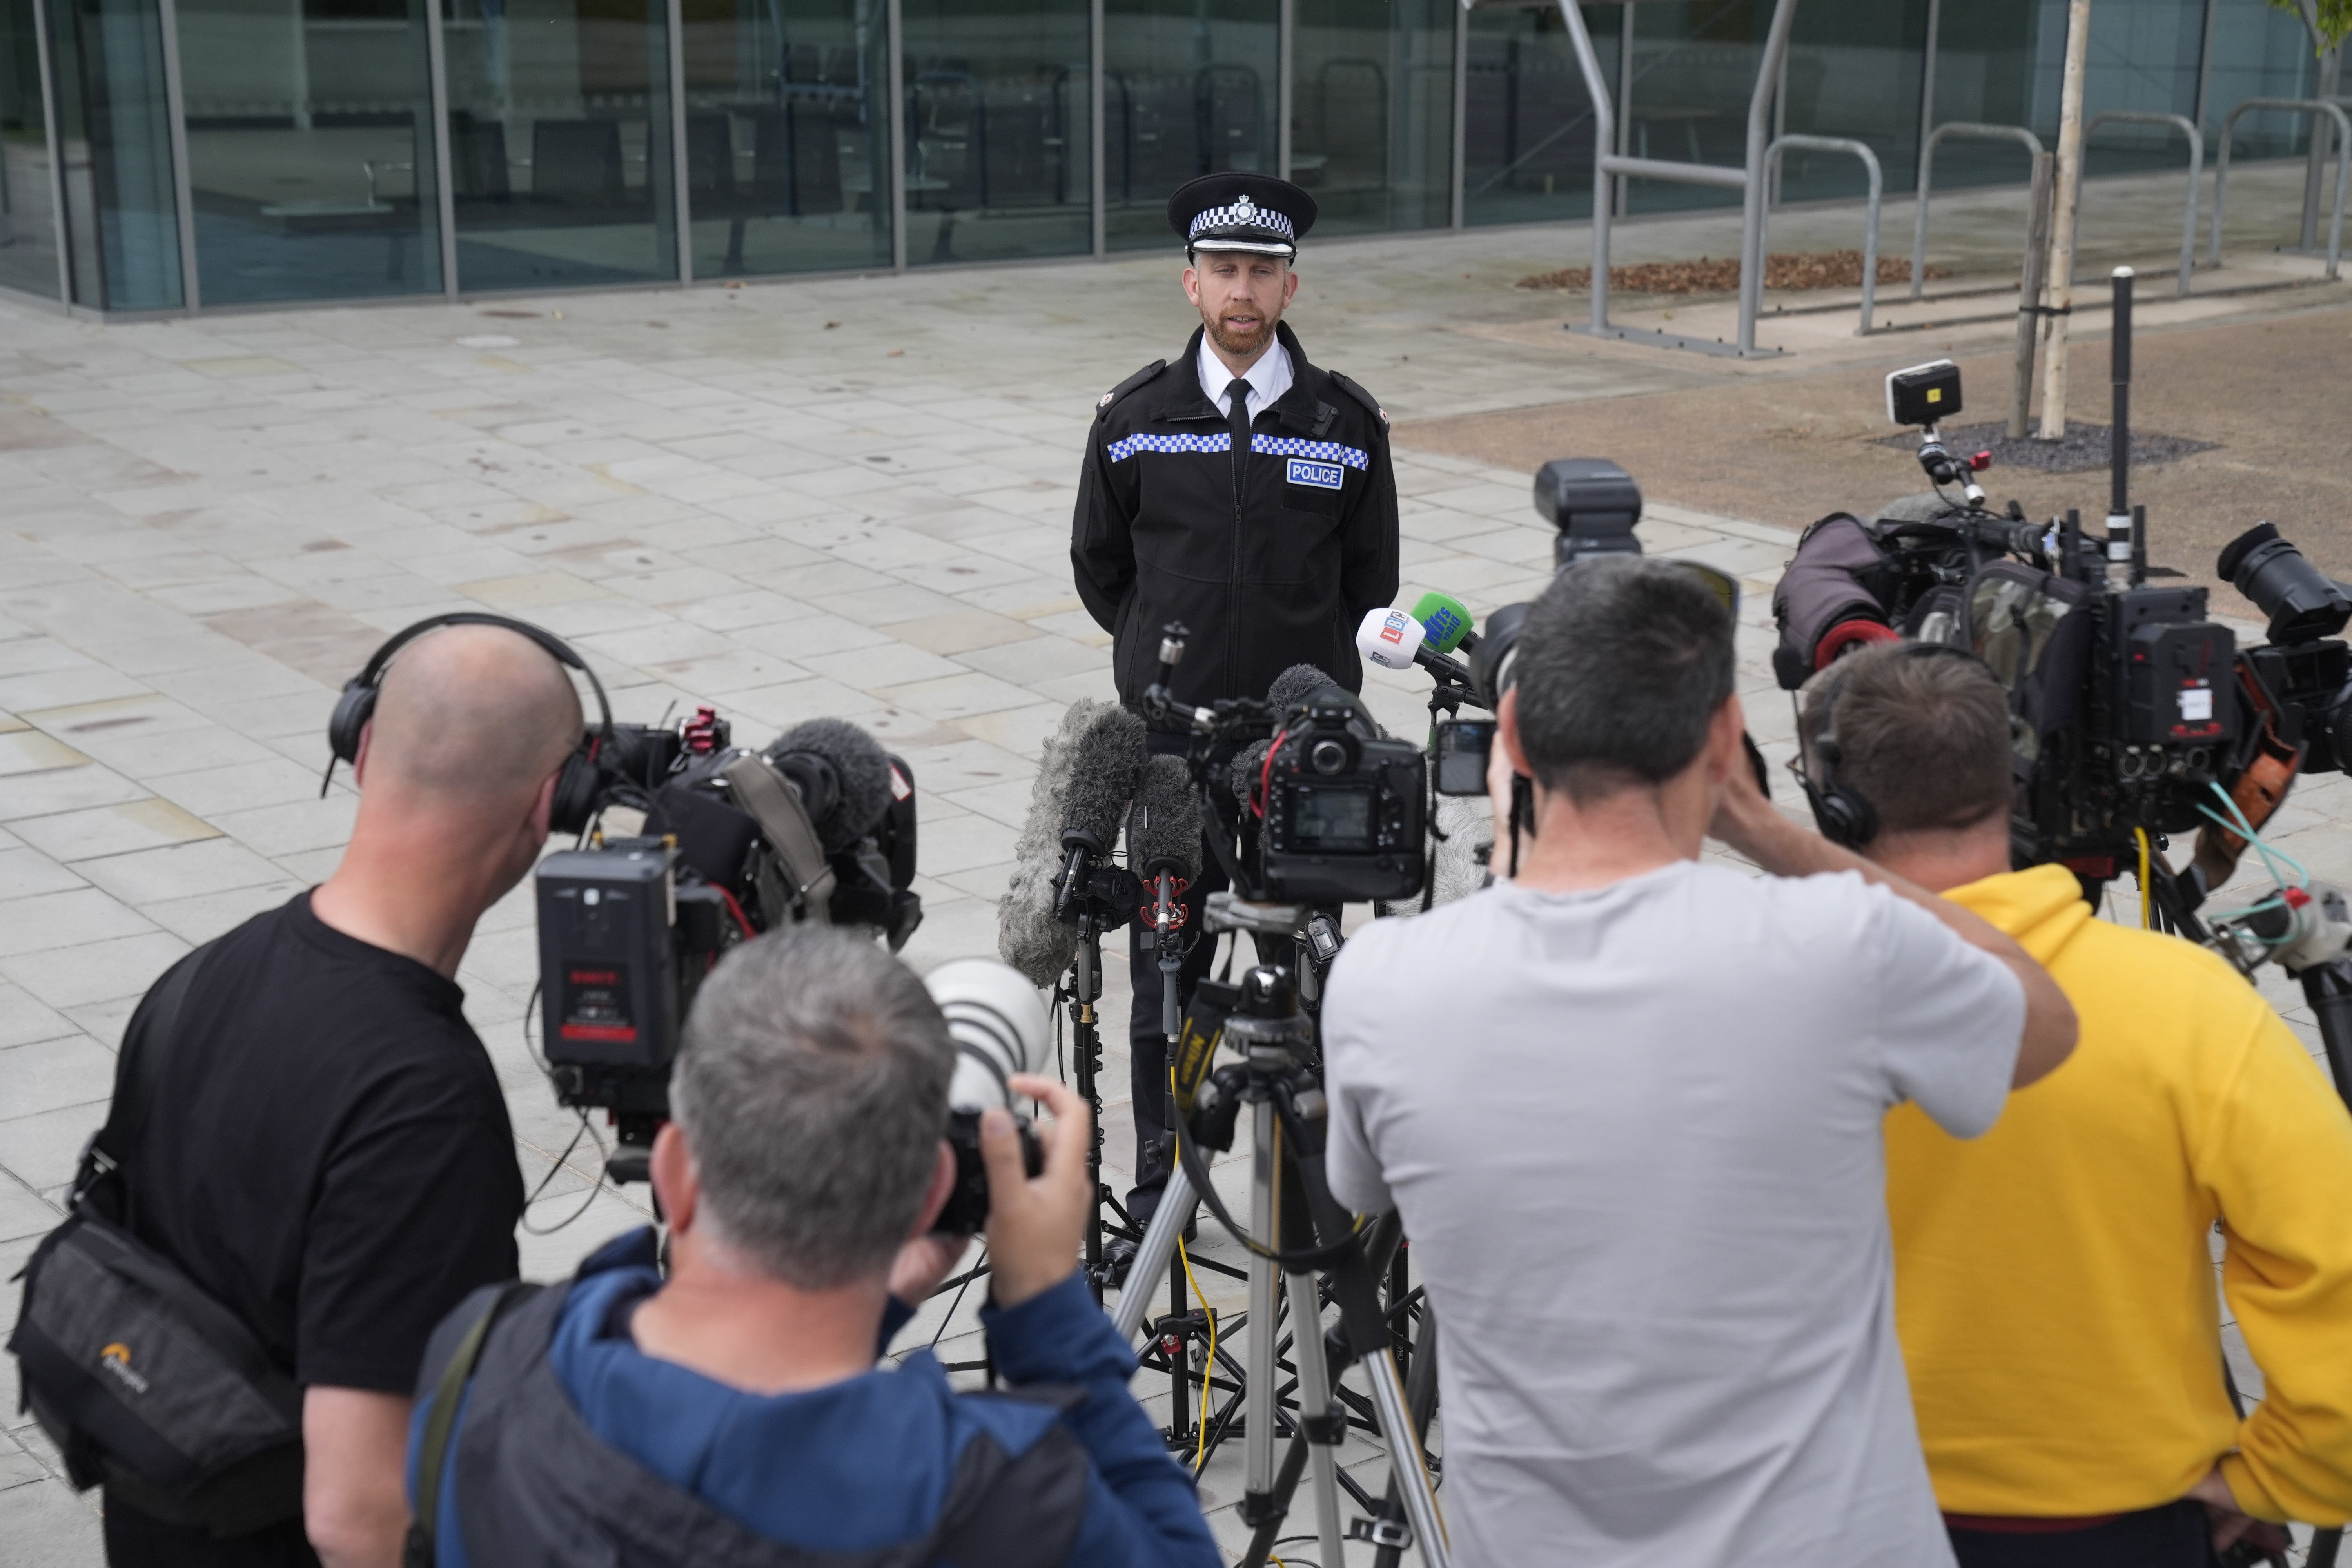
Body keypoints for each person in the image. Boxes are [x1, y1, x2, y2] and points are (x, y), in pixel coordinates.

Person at [1317, 556, 2078, 1568]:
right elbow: (2042, 1022)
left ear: (1513, 742)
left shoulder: (1381, 985)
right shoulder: (1836, 948)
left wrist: (1506, 865)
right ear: (1722, 739)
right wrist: (1762, 829)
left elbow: (1359, 1188)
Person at [403, 926, 1222, 1568]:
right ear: (934, 1193)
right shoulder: (990, 1498)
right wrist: (1050, 1317)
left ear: (675, 1172)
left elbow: (728, 1445)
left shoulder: (481, 1358)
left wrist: (877, 1294)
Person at [1799, 640, 2352, 1566]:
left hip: (1833, 1514)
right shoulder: (2191, 1004)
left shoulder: (1757, 1004)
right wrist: (2283, 1478)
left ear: (1835, 803)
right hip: (2127, 1526)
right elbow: (2332, 1261)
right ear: (2014, 780)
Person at [102, 622, 581, 1567]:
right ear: (549, 805)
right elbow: (363, 1515)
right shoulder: (422, 1103)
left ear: (359, 746)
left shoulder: (204, 974)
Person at [1070, 170, 1399, 1230]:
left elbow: (1371, 581)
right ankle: (1166, 1171)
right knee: (1167, 975)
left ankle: (1312, 1184)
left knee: (1308, 972)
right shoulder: (1133, 422)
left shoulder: (1345, 425)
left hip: (1299, 757)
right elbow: (1100, 568)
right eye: (1224, 271)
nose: (1242, 290)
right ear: (1191, 284)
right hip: (1170, 751)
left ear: (1290, 288)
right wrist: (1160, 655)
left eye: (1262, 271)